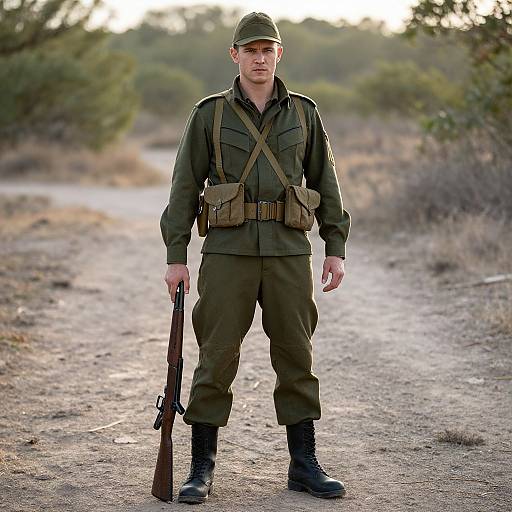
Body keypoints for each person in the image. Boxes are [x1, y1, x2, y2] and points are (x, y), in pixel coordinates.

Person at [160, 11, 351, 503]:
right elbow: (184, 186)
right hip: (227, 252)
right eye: (250, 50)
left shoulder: (304, 113)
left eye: (268, 49)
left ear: (279, 54)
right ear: (235, 55)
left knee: (296, 355)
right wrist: (176, 254)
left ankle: (304, 465)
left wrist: (336, 247)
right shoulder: (210, 114)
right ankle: (201, 468)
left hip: (289, 251)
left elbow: (325, 184)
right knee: (216, 356)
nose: (259, 57)